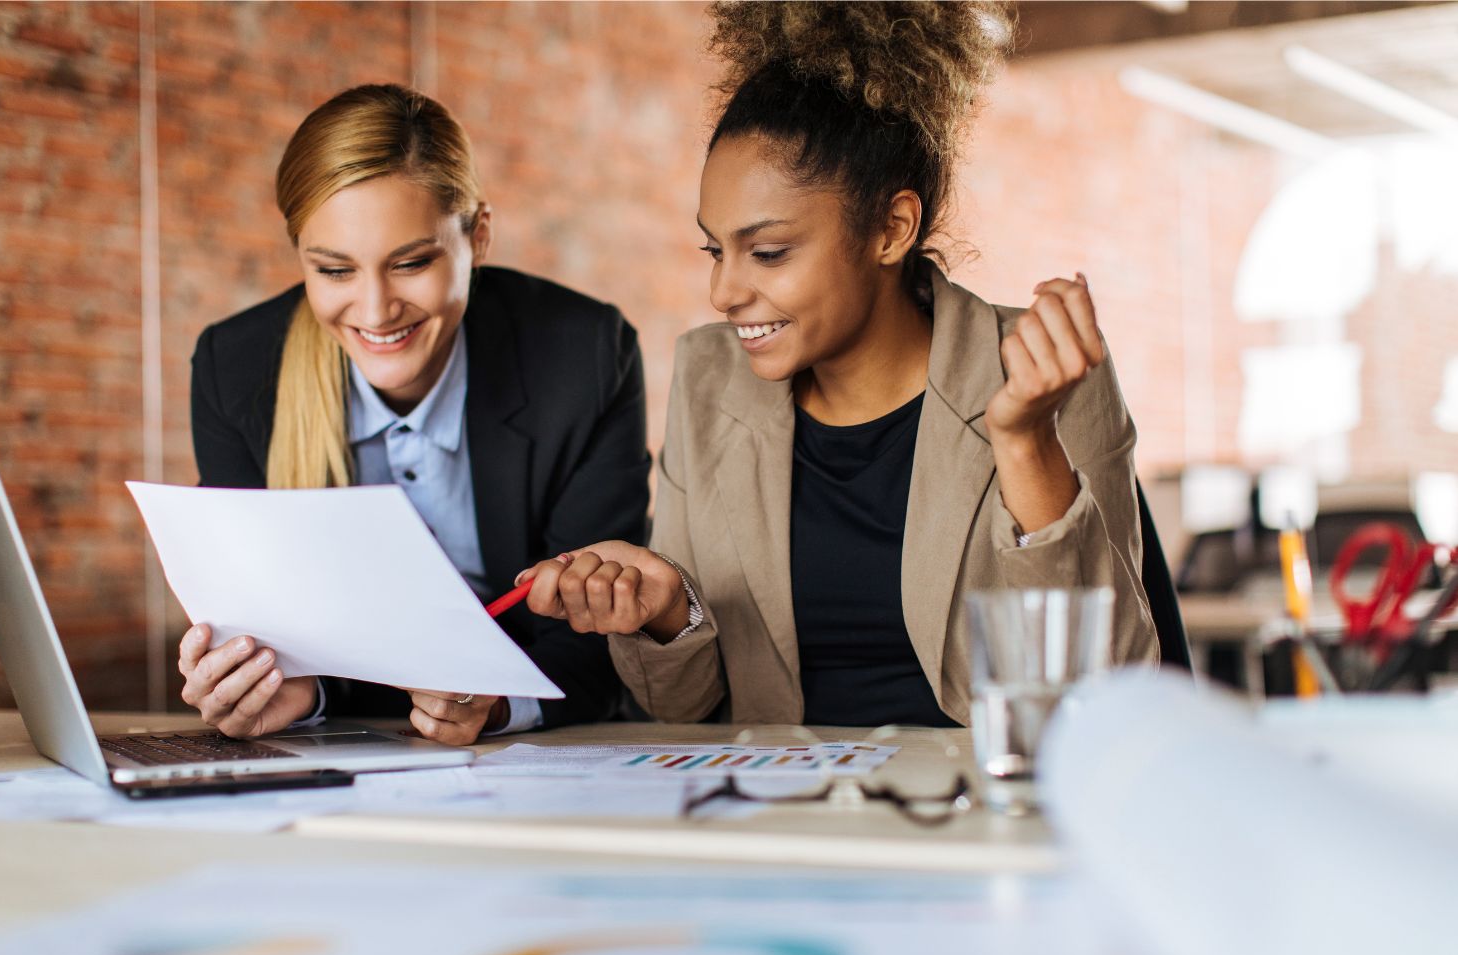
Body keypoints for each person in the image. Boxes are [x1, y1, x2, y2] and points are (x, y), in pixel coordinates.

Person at [519, 1, 1159, 727]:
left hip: (977, 815)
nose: (724, 292)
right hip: (782, 818)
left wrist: (1025, 443)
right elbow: (677, 709)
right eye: (715, 250)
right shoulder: (709, 376)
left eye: (767, 252)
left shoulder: (1040, 376)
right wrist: (669, 615)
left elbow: (1106, 692)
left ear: (892, 228)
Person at [178, 84, 650, 744]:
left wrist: (499, 705)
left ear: (478, 237)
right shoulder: (235, 370)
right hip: (348, 753)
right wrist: (277, 689)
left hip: (536, 752)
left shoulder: (584, 357)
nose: (374, 312)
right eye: (334, 270)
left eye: (411, 262)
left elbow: (602, 636)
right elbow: (268, 633)